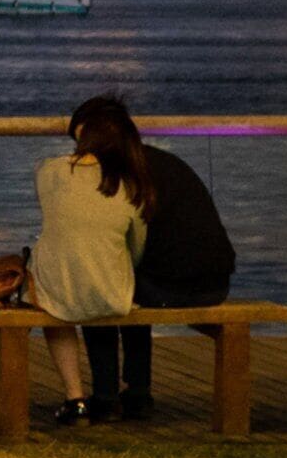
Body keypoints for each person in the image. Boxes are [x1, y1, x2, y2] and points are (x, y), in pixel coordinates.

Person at [95, 101, 237, 422]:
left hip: (173, 288)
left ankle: (105, 394)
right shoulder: (163, 163)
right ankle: (138, 391)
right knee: (129, 282)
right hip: (215, 284)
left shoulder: (121, 175)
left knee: (101, 292)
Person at [24, 95, 150, 426]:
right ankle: (128, 390)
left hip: (57, 290)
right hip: (113, 294)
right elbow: (136, 249)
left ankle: (75, 397)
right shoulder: (131, 184)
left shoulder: (50, 171)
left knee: (55, 299)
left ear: (82, 133)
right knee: (95, 280)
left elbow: (55, 217)